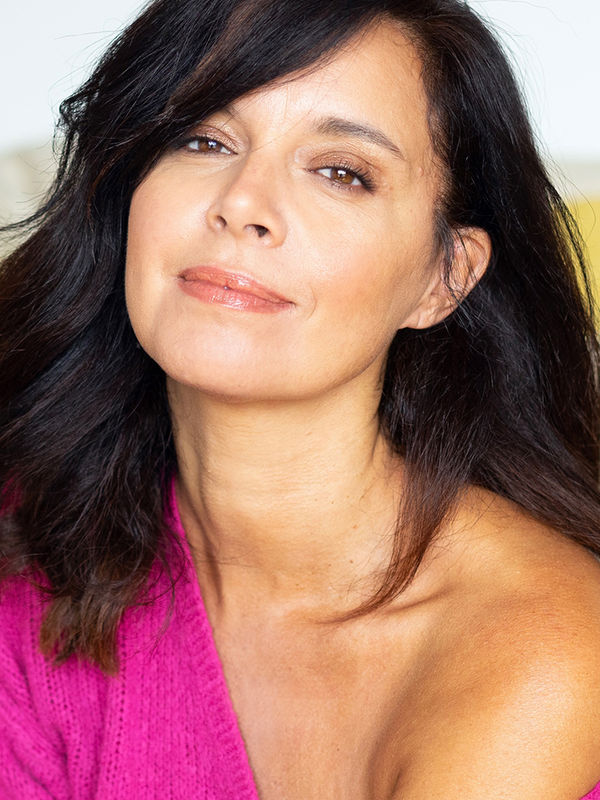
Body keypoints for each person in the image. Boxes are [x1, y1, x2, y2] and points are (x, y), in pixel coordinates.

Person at [1, 0, 600, 797]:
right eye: (204, 139)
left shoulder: (541, 636)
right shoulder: (29, 552)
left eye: (341, 172)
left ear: (443, 277)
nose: (242, 204)